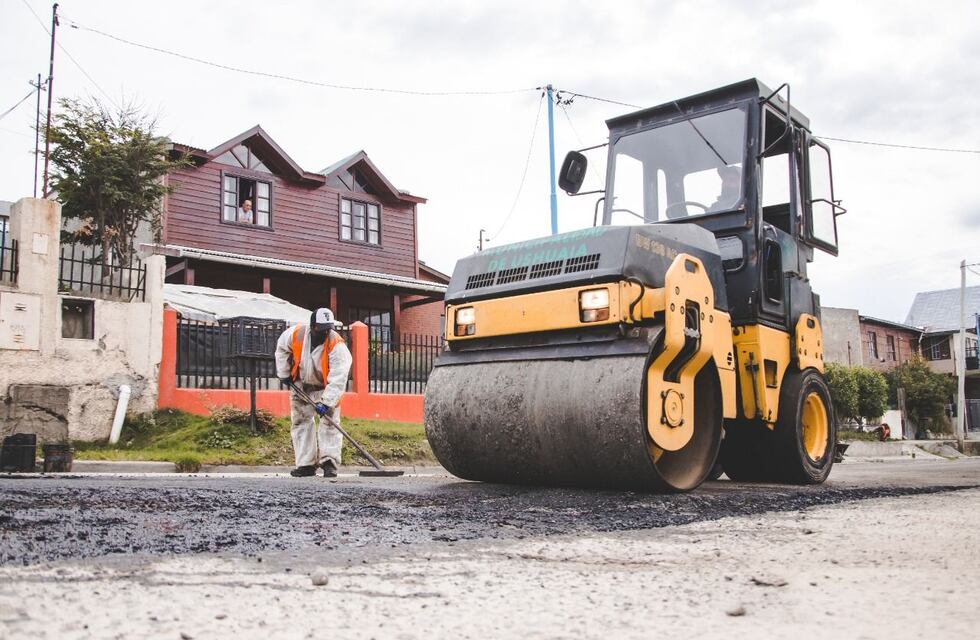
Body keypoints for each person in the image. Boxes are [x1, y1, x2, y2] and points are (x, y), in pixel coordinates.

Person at [275, 308, 352, 477]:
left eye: (328, 328)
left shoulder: (336, 345)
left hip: (326, 387)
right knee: (301, 422)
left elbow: (339, 376)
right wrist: (284, 373)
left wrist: (326, 402)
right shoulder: (296, 334)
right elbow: (281, 348)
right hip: (301, 384)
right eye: (322, 328)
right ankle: (306, 465)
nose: (326, 332)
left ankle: (329, 463)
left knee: (330, 423)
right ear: (313, 326)